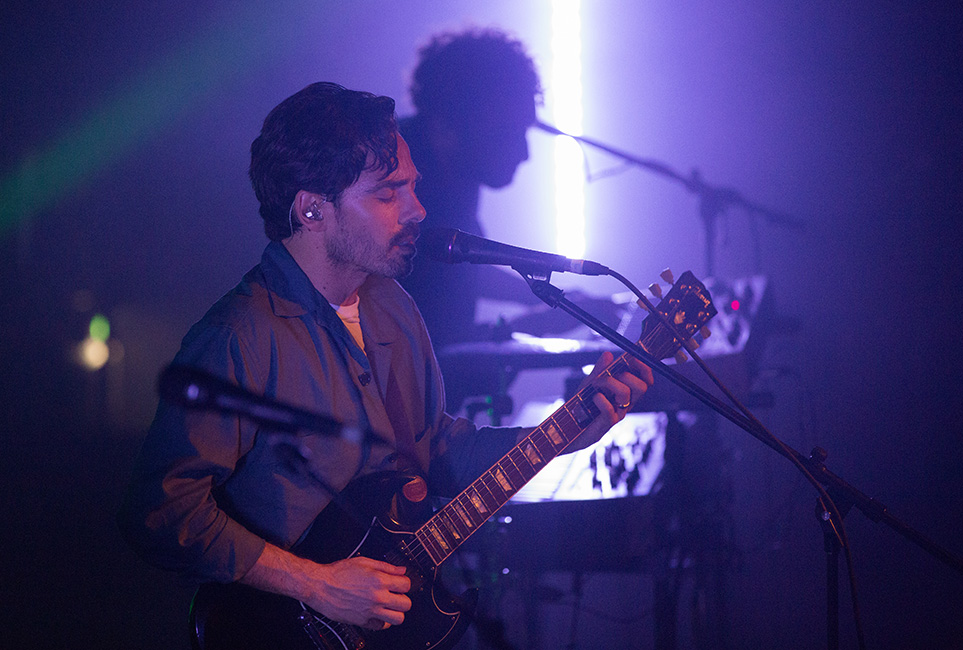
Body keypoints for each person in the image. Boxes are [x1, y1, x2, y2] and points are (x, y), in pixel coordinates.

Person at [118, 82, 651, 638]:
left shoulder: (392, 305)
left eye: (413, 187)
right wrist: (315, 584)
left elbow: (437, 450)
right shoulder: (242, 335)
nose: (418, 209)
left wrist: (568, 430)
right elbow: (160, 512)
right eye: (387, 193)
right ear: (312, 209)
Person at [398, 28, 545, 348]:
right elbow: (434, 340)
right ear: (450, 121)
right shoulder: (386, 185)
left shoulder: (455, 173)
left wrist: (547, 298)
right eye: (510, 130)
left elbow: (455, 271)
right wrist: (539, 320)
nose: (524, 152)